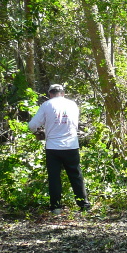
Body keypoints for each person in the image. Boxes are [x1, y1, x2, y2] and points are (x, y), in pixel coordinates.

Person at [28, 84, 90, 215]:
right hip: (71, 145)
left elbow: (32, 125)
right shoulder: (72, 104)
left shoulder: (47, 105)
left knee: (54, 177)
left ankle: (56, 207)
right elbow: (75, 124)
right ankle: (84, 205)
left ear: (50, 93)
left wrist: (37, 132)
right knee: (76, 175)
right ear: (63, 93)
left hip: (53, 147)